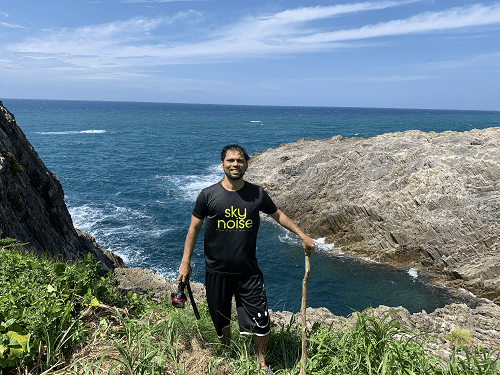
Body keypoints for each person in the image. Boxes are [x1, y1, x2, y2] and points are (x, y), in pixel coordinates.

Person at [177, 144, 315, 374]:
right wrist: (185, 262)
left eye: (239, 161)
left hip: (248, 272)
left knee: (261, 322)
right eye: (230, 161)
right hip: (216, 272)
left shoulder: (257, 194)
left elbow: (278, 214)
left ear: (246, 165)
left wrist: (302, 235)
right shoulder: (208, 195)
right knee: (221, 323)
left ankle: (262, 364)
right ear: (222, 165)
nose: (235, 164)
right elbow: (193, 228)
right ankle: (227, 355)